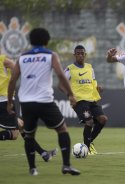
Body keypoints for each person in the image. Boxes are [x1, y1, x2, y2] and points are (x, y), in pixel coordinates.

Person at [7, 28, 80, 176]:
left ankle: (32, 169)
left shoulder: (22, 57)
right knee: (62, 130)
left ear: (31, 41)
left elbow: (13, 80)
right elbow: (60, 74)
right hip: (45, 101)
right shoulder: (50, 55)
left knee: (29, 135)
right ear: (47, 41)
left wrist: (9, 102)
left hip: (26, 102)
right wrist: (71, 95)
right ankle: (66, 165)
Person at [0, 55, 57, 161]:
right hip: (4, 101)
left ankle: (43, 154)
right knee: (14, 134)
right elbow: (18, 69)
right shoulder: (3, 60)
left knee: (21, 125)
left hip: (3, 100)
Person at [60, 45, 107, 155]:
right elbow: (60, 85)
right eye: (78, 53)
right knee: (89, 121)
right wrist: (69, 95)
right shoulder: (70, 69)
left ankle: (88, 142)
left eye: (82, 53)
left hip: (91, 100)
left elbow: (93, 82)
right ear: (74, 55)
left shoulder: (90, 67)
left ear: (85, 55)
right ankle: (86, 148)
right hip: (79, 101)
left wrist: (98, 88)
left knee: (103, 119)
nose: (80, 55)